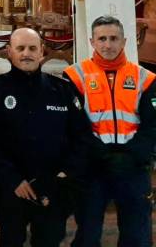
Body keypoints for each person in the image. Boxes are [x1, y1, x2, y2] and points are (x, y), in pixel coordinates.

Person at [0, 28, 90, 247]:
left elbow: (82, 137)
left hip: (54, 189)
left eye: (32, 48)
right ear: (9, 52)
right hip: (12, 188)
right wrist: (11, 179)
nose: (26, 53)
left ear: (42, 52)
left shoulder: (63, 90)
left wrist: (63, 174)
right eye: (20, 48)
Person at [64, 16, 156, 247]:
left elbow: (152, 125)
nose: (108, 44)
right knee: (88, 235)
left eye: (113, 38)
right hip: (93, 168)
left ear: (124, 41)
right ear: (92, 41)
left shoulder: (145, 78)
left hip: (132, 167)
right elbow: (74, 126)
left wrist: (130, 154)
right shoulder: (75, 76)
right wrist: (101, 154)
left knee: (137, 236)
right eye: (102, 38)